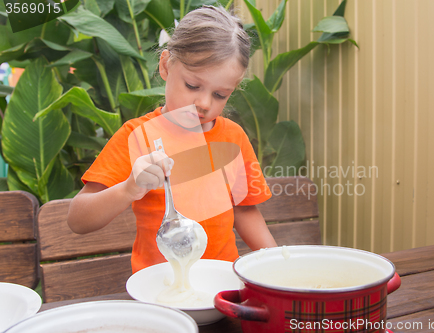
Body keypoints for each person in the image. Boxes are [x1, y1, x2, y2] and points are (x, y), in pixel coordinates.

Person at [67, 5, 277, 273]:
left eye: (220, 95)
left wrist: (277, 266)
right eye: (192, 86)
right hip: (158, 291)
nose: (203, 103)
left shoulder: (233, 138)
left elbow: (244, 212)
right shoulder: (137, 137)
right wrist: (129, 189)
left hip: (221, 286)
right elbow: (78, 220)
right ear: (165, 65)